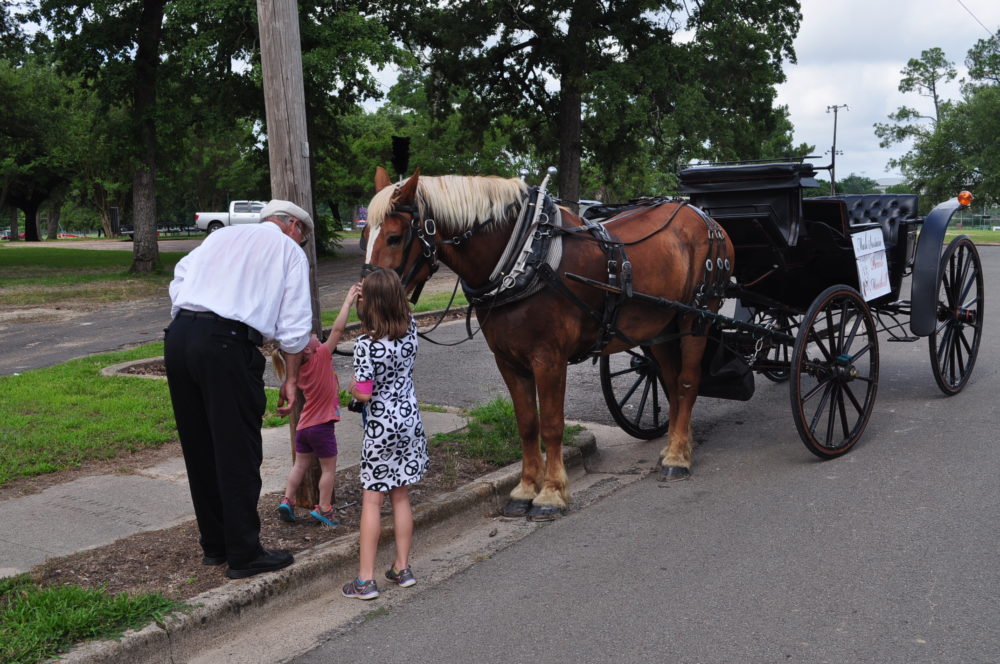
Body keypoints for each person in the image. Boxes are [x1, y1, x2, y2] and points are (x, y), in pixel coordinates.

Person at [164, 199, 314, 580]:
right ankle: (245, 552)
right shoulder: (287, 250)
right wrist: (291, 378)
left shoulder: (220, 237)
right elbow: (295, 326)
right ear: (293, 227)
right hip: (226, 343)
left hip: (180, 336)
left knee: (199, 447)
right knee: (237, 450)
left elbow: (180, 278)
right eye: (305, 237)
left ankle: (215, 545)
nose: (303, 244)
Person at [342, 269, 429, 600]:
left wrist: (351, 386)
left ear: (369, 303)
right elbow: (401, 309)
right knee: (401, 495)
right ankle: (402, 568)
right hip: (409, 421)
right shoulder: (411, 330)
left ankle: (365, 579)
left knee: (372, 499)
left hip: (380, 428)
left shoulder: (367, 345)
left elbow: (363, 393)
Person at [274, 284, 362, 527]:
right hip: (322, 426)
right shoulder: (321, 355)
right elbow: (338, 329)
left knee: (300, 465)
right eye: (311, 336)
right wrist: (347, 302)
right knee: (329, 470)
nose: (315, 335)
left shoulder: (298, 370)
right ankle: (324, 508)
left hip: (304, 427)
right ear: (309, 349)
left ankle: (287, 500)